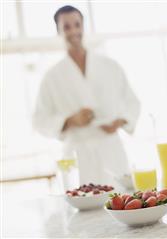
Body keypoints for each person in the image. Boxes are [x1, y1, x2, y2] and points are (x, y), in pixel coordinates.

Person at [33, 5, 140, 186]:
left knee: (122, 203)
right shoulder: (51, 77)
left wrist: (120, 121)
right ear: (58, 31)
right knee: (84, 207)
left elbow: (132, 102)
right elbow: (39, 119)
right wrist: (70, 120)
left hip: (111, 150)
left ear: (83, 26)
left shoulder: (109, 65)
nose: (73, 30)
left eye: (77, 24)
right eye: (66, 27)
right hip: (78, 156)